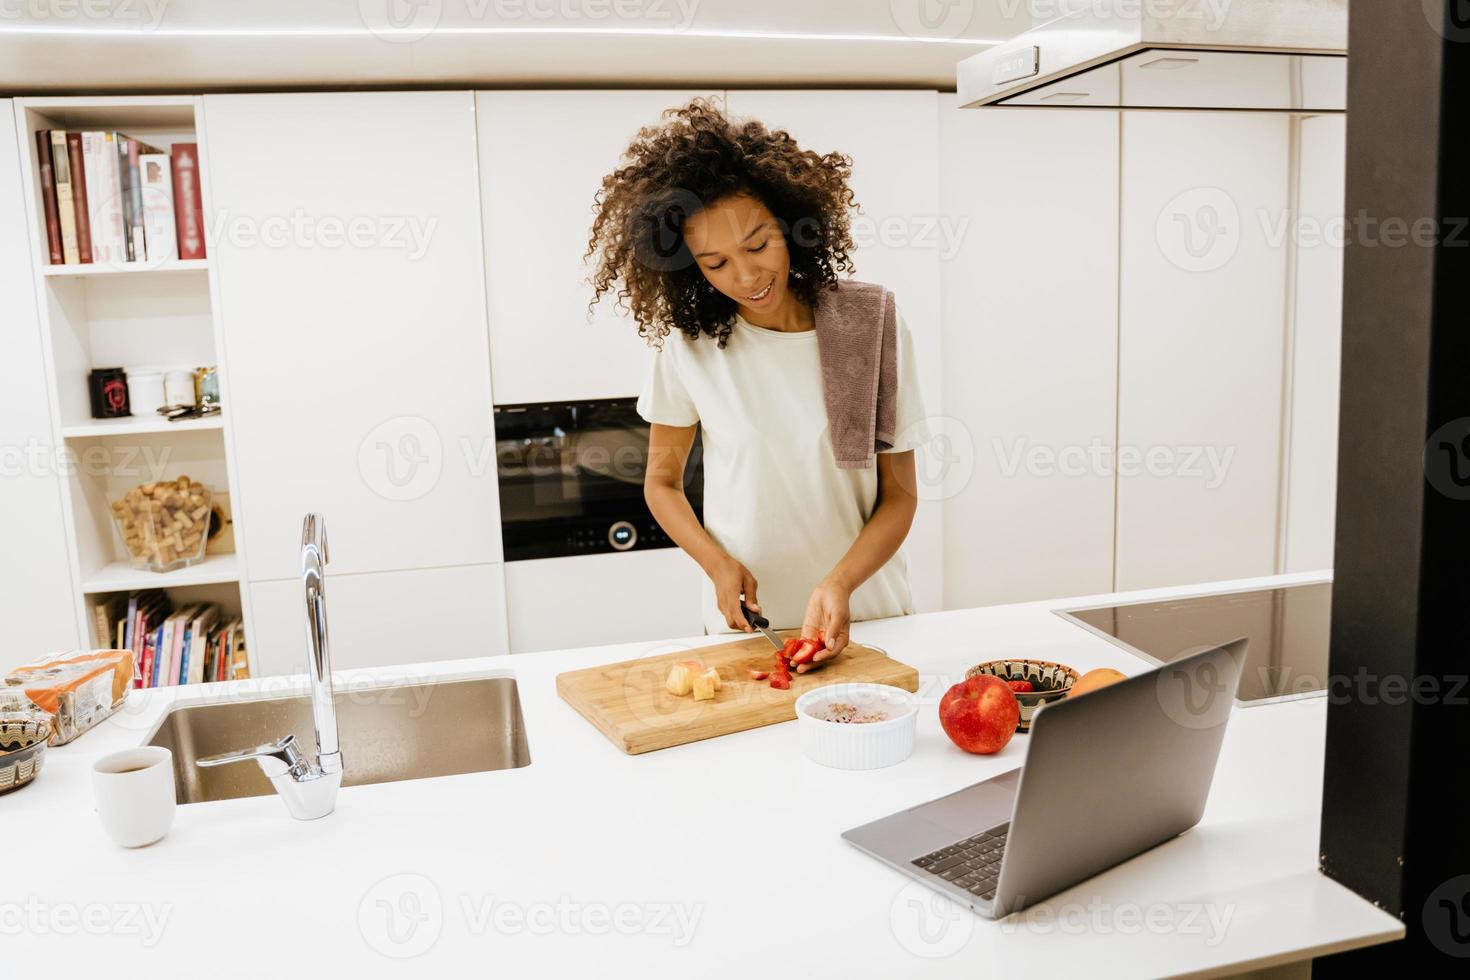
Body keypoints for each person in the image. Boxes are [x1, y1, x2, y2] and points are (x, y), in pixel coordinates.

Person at [584, 98, 930, 670]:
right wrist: (716, 565)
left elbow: (901, 496)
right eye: (715, 263)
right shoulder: (688, 345)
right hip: (747, 630)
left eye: (757, 244)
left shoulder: (872, 324)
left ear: (794, 223)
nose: (745, 277)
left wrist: (840, 583)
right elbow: (662, 484)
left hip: (868, 615)